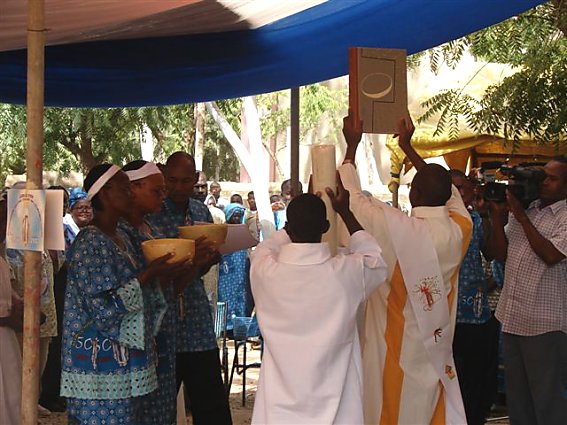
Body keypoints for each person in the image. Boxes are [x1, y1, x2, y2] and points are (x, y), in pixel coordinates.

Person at [338, 114, 472, 424]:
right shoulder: (460, 230)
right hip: (434, 347)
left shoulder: (397, 229)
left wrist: (351, 146)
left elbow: (350, 199)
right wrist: (409, 149)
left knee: (389, 410)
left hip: (393, 348)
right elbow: (448, 192)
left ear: (415, 194)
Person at [250, 180, 388, 424]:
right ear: (326, 226)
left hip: (278, 410)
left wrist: (292, 223)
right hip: (339, 409)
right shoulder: (345, 274)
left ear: (288, 228)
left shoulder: (264, 271)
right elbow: (375, 259)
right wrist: (345, 212)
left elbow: (265, 247)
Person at [61, 164, 174, 425]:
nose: (131, 194)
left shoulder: (120, 236)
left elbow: (139, 288)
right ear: (105, 193)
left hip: (125, 362)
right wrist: (150, 273)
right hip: (99, 367)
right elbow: (102, 304)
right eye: (125, 188)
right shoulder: (90, 241)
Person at [147, 152, 232, 425]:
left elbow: (200, 269)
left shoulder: (199, 211)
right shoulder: (153, 212)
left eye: (185, 181)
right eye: (172, 180)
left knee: (211, 403)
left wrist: (208, 259)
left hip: (196, 319)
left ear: (195, 179)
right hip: (163, 322)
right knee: (159, 405)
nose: (179, 187)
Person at [491, 156, 567, 425]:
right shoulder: (528, 208)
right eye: (543, 176)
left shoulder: (563, 217)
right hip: (513, 318)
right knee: (519, 403)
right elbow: (500, 254)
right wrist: (496, 218)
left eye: (552, 178)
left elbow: (551, 255)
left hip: (545, 324)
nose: (543, 182)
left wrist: (522, 218)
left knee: (548, 403)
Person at [450, 170, 499, 425]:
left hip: (475, 315)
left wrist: (489, 215)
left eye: (462, 188)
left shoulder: (476, 220)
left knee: (474, 383)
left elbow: (492, 253)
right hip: (444, 315)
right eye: (453, 188)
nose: (458, 193)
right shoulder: (430, 223)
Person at [7, 181, 58, 417]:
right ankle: (19, 406)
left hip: (45, 314)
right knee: (19, 361)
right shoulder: (8, 236)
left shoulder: (44, 233)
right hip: (20, 313)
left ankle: (32, 400)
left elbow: (55, 267)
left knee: (40, 360)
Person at [0, 189, 23, 425]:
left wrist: (20, 306)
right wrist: (7, 321)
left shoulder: (1, 260)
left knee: (12, 395)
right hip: (4, 331)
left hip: (7, 342)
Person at [219, 203, 253, 330]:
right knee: (225, 298)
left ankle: (239, 327)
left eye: (239, 216)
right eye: (234, 216)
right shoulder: (221, 231)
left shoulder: (244, 231)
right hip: (226, 273)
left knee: (241, 296)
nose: (237, 218)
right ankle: (226, 326)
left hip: (240, 272)